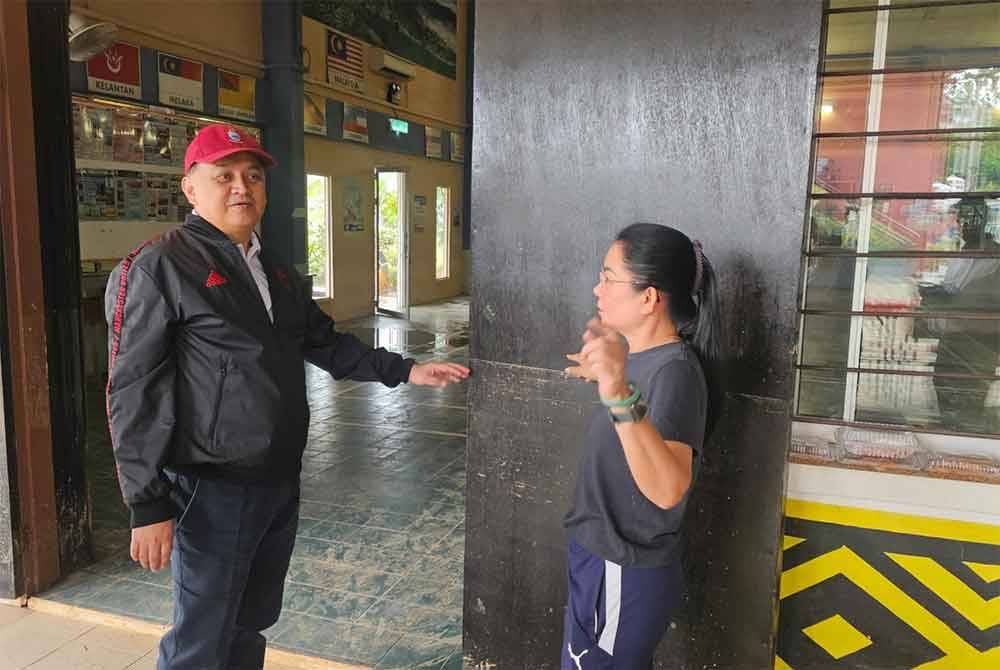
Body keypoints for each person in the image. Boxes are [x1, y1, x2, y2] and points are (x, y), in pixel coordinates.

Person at [104, 123, 470, 670]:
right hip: (210, 486)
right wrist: (147, 501)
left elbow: (323, 342)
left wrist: (407, 370)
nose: (240, 188)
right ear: (190, 188)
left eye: (252, 176)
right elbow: (133, 390)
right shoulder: (159, 267)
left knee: (251, 622)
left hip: (276, 478)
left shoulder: (273, 268)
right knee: (201, 637)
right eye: (223, 176)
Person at [562, 223, 722, 669]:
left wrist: (617, 392)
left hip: (623, 566)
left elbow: (669, 487)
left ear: (649, 297)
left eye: (609, 277)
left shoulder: (675, 371)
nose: (598, 288)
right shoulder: (639, 358)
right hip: (599, 558)